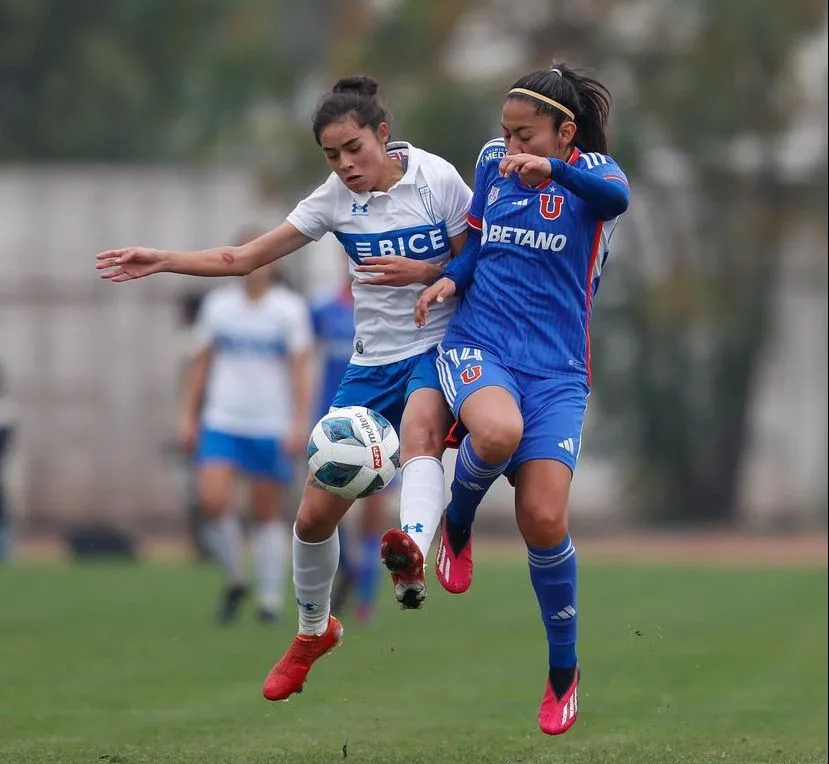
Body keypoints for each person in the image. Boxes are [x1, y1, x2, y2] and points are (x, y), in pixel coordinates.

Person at [96, 75, 472, 700]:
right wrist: (163, 258)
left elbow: (476, 263)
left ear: (383, 133)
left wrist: (428, 271)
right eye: (331, 155)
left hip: (436, 349)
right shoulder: (331, 200)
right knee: (312, 517)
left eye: (354, 148)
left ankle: (415, 552)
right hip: (369, 366)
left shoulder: (437, 180)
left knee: (421, 431)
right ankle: (311, 630)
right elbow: (241, 259)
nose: (346, 164)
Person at [414, 63, 630, 735]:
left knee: (542, 518)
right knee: (496, 432)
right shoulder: (491, 163)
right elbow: (477, 239)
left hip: (558, 370)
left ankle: (563, 669)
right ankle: (458, 518)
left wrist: (554, 172)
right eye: (504, 135)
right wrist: (451, 279)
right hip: (483, 343)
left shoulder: (598, 177)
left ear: (564, 134)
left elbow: (613, 202)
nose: (509, 150)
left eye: (524, 136)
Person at [179, 230, 313, 624]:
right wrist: (188, 415)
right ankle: (237, 576)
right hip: (223, 418)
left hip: (269, 422)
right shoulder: (219, 307)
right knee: (212, 500)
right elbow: (200, 364)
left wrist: (298, 422)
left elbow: (301, 371)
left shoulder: (289, 310)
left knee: (266, 512)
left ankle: (270, 598)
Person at [310, 266, 386, 623]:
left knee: (373, 513)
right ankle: (346, 568)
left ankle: (365, 601)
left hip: (378, 428)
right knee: (326, 512)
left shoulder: (386, 308)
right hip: (332, 430)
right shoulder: (322, 310)